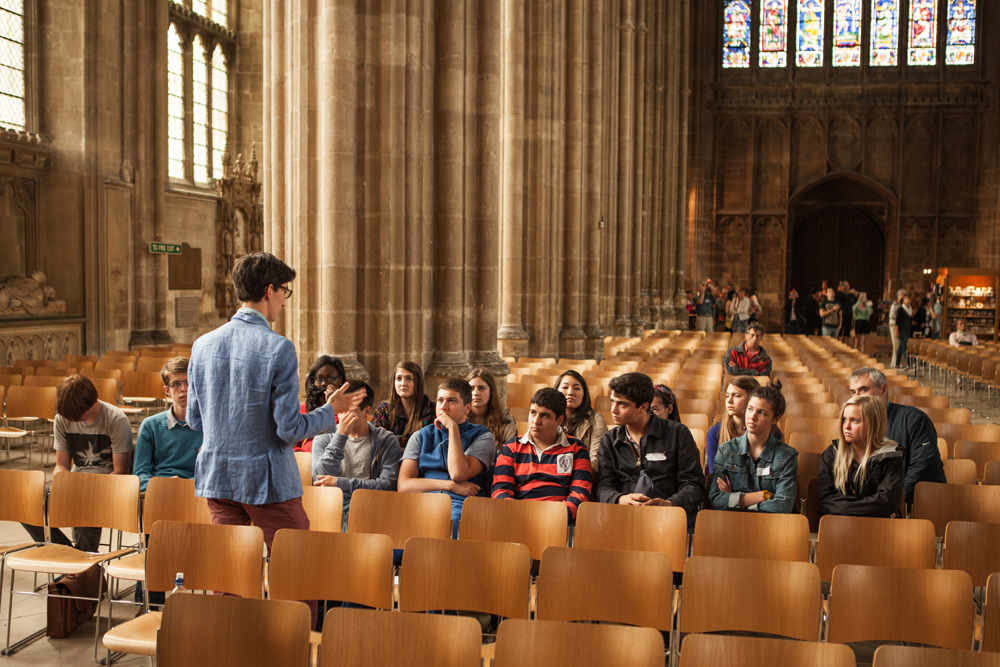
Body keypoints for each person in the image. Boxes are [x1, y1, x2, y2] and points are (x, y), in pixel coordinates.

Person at [187, 252, 365, 628]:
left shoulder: (202, 345)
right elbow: (288, 430)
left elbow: (193, 419)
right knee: (298, 569)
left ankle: (231, 645)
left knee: (229, 571)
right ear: (269, 290)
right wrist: (329, 411)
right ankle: (292, 646)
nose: (285, 300)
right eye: (285, 291)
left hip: (217, 476)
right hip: (266, 480)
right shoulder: (277, 347)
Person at [21, 374, 133, 552]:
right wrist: (61, 481)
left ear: (93, 401)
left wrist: (86, 488)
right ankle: (68, 554)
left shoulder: (115, 419)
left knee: (84, 505)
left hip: (108, 485)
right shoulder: (62, 418)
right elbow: (61, 465)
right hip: (77, 480)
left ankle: (83, 567)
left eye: (81, 415)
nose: (76, 420)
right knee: (28, 501)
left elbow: (120, 472)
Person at [595, 373, 705, 529]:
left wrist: (670, 503)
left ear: (643, 407)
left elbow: (694, 485)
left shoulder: (678, 434)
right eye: (612, 401)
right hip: (624, 517)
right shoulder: (609, 440)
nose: (613, 409)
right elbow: (603, 487)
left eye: (622, 404)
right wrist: (620, 499)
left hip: (669, 520)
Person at [397, 378, 496, 535]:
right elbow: (404, 485)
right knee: (392, 530)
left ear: (467, 408)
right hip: (422, 502)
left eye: (452, 401)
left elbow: (458, 474)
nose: (443, 407)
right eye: (440, 400)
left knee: (448, 528)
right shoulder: (420, 436)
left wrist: (452, 428)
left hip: (461, 504)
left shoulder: (483, 436)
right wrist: (448, 486)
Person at [491, 388, 593, 520]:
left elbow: (580, 494)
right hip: (518, 518)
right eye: (533, 413)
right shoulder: (511, 448)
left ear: (559, 420)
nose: (536, 421)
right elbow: (500, 491)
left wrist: (553, 517)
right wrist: (520, 514)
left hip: (559, 521)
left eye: (545, 416)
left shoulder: (577, 449)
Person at [848, 367, 946, 504]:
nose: (857, 397)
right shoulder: (853, 425)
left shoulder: (915, 419)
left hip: (914, 502)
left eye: (864, 390)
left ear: (883, 390)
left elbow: (923, 467)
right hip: (875, 504)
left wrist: (895, 502)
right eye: (853, 392)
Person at [311, 380, 402, 528]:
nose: (342, 416)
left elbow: (387, 486)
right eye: (341, 410)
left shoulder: (386, 440)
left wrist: (339, 483)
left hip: (372, 505)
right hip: (333, 505)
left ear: (366, 411)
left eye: (349, 410)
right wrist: (340, 436)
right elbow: (319, 479)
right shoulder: (323, 439)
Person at [709, 382, 797, 513]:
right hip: (731, 525)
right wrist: (764, 496)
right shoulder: (726, 450)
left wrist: (735, 501)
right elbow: (715, 499)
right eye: (750, 409)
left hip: (771, 526)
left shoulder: (787, 456)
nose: (752, 417)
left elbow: (782, 506)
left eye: (761, 413)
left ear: (776, 419)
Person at [817, 395, 904, 518]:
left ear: (873, 424)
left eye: (855, 420)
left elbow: (887, 502)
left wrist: (842, 507)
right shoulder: (832, 453)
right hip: (840, 526)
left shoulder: (891, 456)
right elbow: (826, 501)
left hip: (879, 529)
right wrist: (878, 512)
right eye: (844, 419)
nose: (846, 426)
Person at [133, 357, 202, 492]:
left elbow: (215, 472)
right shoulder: (150, 425)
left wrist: (182, 485)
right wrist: (162, 486)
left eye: (188, 382)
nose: (183, 389)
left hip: (195, 492)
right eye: (176, 384)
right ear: (167, 390)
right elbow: (140, 473)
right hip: (158, 492)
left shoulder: (209, 425)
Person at [371, 361, 435, 448]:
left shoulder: (431, 409)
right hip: (390, 459)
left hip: (421, 460)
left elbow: (427, 441)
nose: (403, 384)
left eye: (409, 378)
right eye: (399, 378)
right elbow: (375, 438)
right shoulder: (384, 408)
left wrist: (391, 439)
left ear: (418, 382)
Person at [555, 370, 608, 472]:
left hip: (583, 475)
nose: (570, 392)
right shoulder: (550, 418)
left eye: (577, 388)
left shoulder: (596, 419)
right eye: (565, 387)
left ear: (584, 394)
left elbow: (596, 458)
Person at [296, 355, 346, 453]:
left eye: (330, 378)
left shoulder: (346, 412)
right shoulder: (302, 410)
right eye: (319, 379)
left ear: (340, 380)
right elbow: (292, 444)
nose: (323, 384)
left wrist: (331, 406)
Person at [467, 369, 517, 452]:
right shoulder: (460, 418)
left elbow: (509, 454)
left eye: (482, 388)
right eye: (471, 388)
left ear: (491, 391)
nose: (475, 393)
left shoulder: (506, 419)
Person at [888, 289, 909, 368]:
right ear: (898, 296)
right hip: (894, 325)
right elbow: (891, 315)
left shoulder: (903, 305)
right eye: (901, 294)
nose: (903, 296)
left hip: (900, 326)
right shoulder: (895, 304)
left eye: (904, 294)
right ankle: (894, 362)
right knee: (896, 344)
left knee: (899, 344)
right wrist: (899, 318)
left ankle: (896, 362)